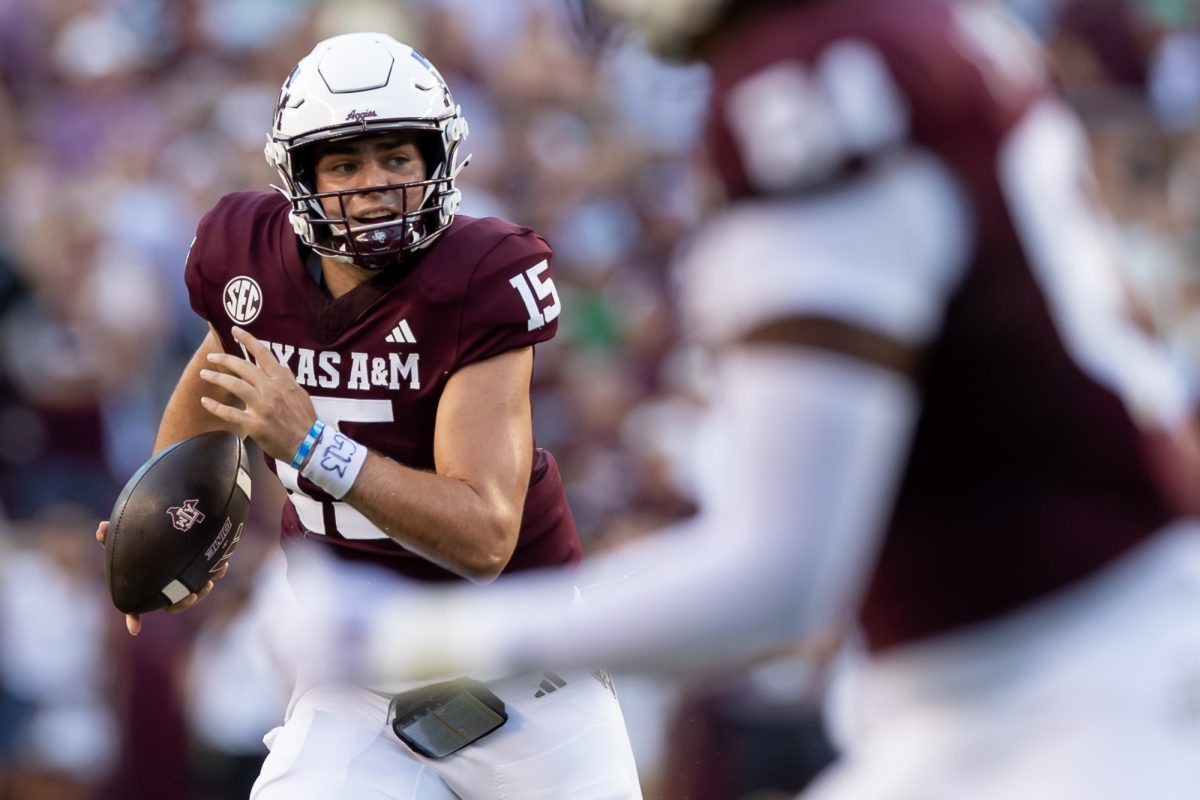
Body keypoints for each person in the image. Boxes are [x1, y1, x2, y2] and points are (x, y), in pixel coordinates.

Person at [333, 2, 1200, 797]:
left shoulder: (813, 78)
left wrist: (420, 635)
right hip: (1022, 685)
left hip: (1076, 694)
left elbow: (781, 578)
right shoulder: (902, 33)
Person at [97, 31, 642, 800]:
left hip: (525, 670)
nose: (373, 185)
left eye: (396, 157)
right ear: (301, 175)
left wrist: (314, 445)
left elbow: (484, 535)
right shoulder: (251, 262)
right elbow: (215, 383)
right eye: (345, 164)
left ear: (436, 163)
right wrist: (167, 512)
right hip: (356, 667)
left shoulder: (479, 275)